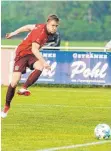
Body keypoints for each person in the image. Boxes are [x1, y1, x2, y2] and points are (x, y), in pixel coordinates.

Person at [1, 14, 60, 118]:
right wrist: (45, 62)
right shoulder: (41, 33)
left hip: (31, 54)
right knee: (14, 82)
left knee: (39, 67)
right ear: (47, 24)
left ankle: (24, 88)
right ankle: (6, 106)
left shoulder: (40, 26)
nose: (54, 28)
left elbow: (28, 26)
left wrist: (14, 33)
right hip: (22, 53)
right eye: (53, 25)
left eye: (56, 26)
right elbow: (34, 49)